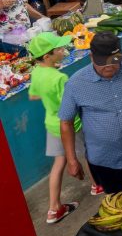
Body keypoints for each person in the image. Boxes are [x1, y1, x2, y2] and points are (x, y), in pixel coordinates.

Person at [59, 32, 122, 193]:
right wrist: (71, 160)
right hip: (106, 161)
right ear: (91, 57)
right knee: (119, 205)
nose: (109, 66)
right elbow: (65, 122)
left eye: (115, 60)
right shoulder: (75, 84)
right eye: (102, 62)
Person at [29, 32, 100, 223]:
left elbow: (33, 95)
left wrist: (49, 89)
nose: (64, 50)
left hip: (51, 124)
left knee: (58, 163)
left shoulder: (36, 73)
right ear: (47, 56)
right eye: (59, 49)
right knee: (87, 153)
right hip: (70, 125)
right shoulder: (59, 78)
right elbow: (70, 105)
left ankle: (54, 209)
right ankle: (96, 185)